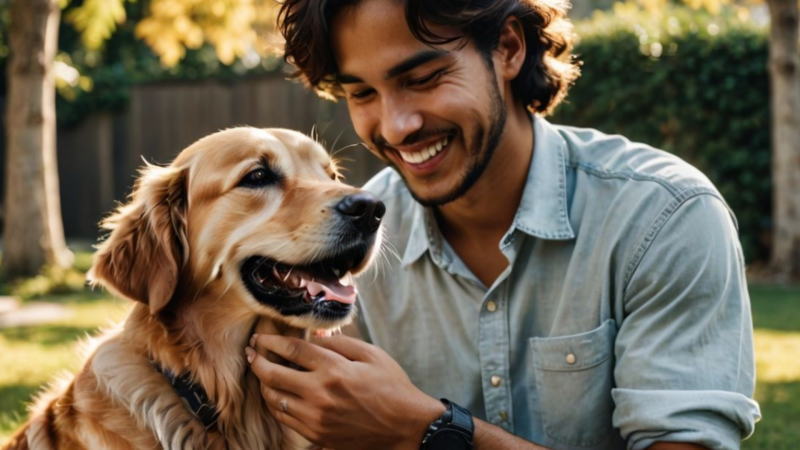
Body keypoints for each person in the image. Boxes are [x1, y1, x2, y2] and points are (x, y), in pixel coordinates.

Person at [245, 0, 761, 448]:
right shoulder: (346, 239)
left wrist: (430, 432)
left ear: (509, 48)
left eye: (422, 79)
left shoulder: (663, 216)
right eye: (362, 94)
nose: (397, 125)